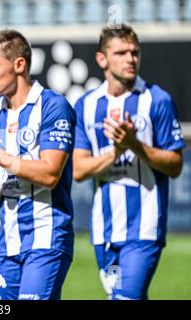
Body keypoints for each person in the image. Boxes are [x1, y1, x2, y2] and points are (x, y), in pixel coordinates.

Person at [0, 29, 76, 300]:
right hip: (6, 244)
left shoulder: (52, 106)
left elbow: (50, 174)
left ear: (19, 65)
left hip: (46, 239)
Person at [73, 24, 185, 300]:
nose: (130, 59)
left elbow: (175, 164)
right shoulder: (86, 105)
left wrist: (135, 145)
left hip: (144, 228)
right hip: (104, 229)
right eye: (121, 53)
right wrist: (116, 151)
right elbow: (78, 170)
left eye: (134, 52)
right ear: (102, 59)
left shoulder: (157, 100)